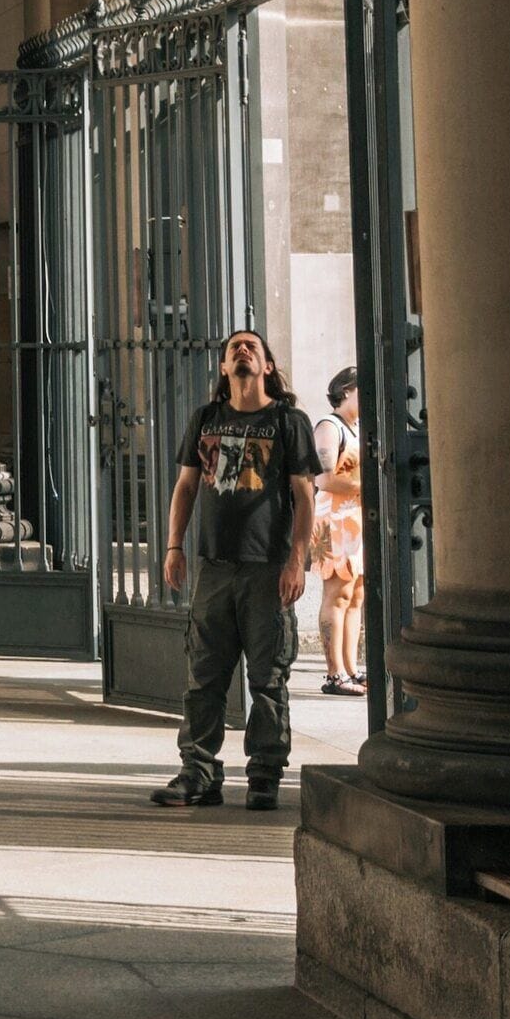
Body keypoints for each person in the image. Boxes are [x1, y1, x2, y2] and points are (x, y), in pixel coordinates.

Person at [155, 327, 325, 810]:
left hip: (266, 569)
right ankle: (199, 773)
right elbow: (186, 488)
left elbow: (304, 496)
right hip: (214, 567)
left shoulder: (288, 421)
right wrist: (174, 546)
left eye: (252, 346)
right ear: (225, 368)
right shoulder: (206, 419)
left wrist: (297, 560)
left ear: (267, 366)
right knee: (204, 676)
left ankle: (265, 774)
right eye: (234, 349)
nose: (243, 351)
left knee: (267, 679)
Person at [311, 370, 368, 697]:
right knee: (337, 593)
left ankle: (351, 667)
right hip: (332, 517)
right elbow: (325, 477)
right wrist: (366, 486)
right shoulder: (329, 426)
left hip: (353, 516)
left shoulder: (356, 428)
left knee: (355, 594)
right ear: (347, 390)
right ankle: (335, 673)